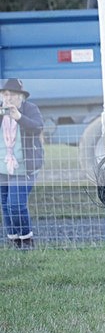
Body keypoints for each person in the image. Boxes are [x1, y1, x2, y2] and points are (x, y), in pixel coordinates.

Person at [0, 79, 44, 250]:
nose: (8, 98)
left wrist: (18, 117)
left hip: (25, 167)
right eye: (5, 94)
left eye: (12, 95)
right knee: (5, 204)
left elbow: (37, 127)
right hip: (2, 168)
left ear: (21, 97)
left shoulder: (30, 109)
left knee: (16, 204)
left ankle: (26, 239)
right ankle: (14, 240)